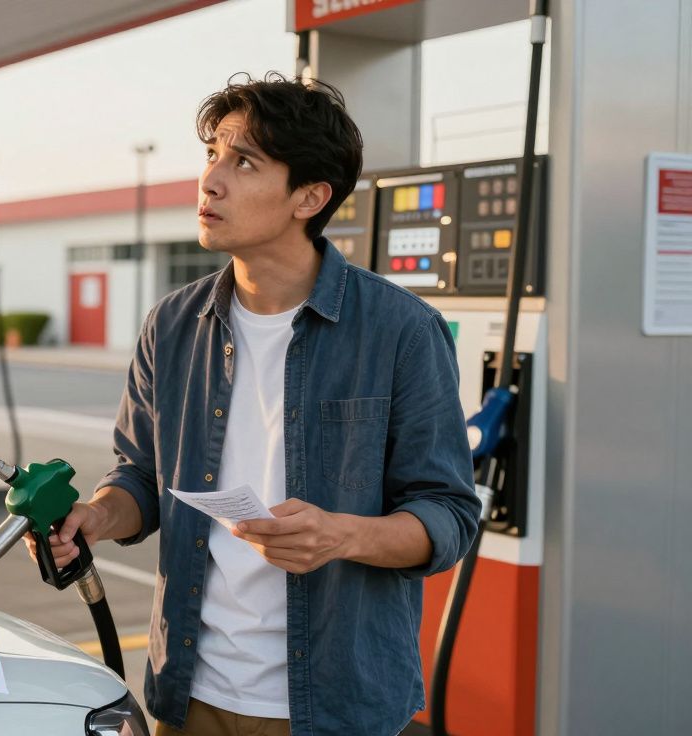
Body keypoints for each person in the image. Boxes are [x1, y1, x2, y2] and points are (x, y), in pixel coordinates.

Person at [26, 72, 479, 735]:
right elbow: (137, 480)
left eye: (244, 162)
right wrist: (94, 518)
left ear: (310, 197)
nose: (210, 180)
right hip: (188, 695)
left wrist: (340, 534)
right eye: (212, 154)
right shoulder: (171, 325)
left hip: (332, 707)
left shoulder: (400, 330)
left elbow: (448, 517)